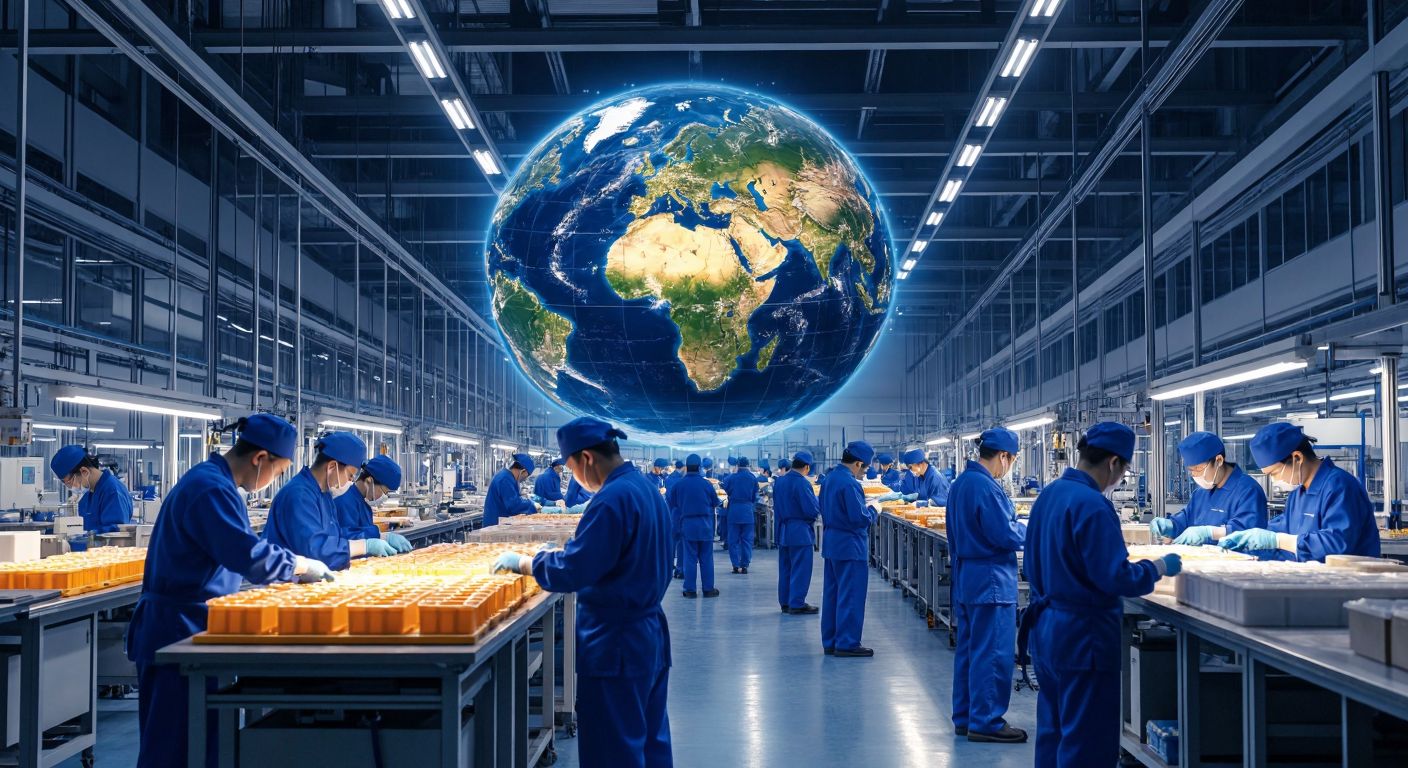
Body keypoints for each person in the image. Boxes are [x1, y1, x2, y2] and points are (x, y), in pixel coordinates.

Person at [127, 414, 334, 768]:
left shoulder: (214, 482)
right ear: (260, 459)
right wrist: (299, 565)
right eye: (278, 471)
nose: (274, 480)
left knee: (199, 740)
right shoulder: (210, 489)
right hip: (177, 627)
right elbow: (246, 554)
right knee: (174, 745)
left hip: (192, 623)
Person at [493, 417, 673, 767]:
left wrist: (529, 562)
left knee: (613, 750)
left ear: (586, 458)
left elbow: (575, 569)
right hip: (649, 637)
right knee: (650, 743)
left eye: (572, 467)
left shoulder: (611, 500)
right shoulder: (646, 489)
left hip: (616, 645)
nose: (573, 476)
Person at [1020, 422, 1181, 768]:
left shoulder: (1049, 495)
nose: (1120, 478)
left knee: (1053, 732)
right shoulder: (1092, 505)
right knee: (1086, 742)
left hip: (1046, 633)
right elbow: (1116, 577)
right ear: (1113, 463)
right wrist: (1156, 567)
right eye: (1123, 470)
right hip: (1083, 639)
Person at [947, 428, 1027, 743]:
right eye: (1013, 460)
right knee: (993, 652)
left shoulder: (961, 484)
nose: (1010, 466)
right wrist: (1031, 530)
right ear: (1004, 456)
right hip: (991, 580)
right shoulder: (985, 487)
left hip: (967, 577)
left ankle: (966, 716)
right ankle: (987, 721)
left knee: (970, 651)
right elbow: (1004, 533)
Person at [1220, 423, 1380, 560]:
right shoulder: (1297, 496)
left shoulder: (1340, 486)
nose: (1274, 480)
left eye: (1274, 473)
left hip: (1350, 582)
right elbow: (1280, 536)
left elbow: (1337, 544)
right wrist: (1247, 545)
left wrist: (1278, 540)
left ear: (1297, 458)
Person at [264, 432, 397, 567]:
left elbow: (335, 536)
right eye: (350, 475)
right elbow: (314, 548)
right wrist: (364, 546)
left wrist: (376, 537)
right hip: (284, 577)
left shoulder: (325, 495)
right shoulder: (299, 495)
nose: (351, 481)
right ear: (332, 466)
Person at [1151, 432, 1268, 546]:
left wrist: (1210, 533)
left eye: (1198, 468)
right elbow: (1186, 519)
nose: (1195, 475)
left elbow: (1249, 533)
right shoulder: (1200, 493)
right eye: (1191, 470)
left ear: (1219, 461)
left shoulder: (1249, 491)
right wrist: (1170, 525)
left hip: (1235, 558)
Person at [820, 440, 878, 657]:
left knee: (833, 594)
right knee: (851, 594)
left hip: (832, 543)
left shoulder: (829, 479)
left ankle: (831, 640)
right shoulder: (850, 484)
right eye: (864, 469)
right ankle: (847, 643)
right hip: (850, 546)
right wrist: (874, 510)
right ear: (858, 463)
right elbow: (858, 519)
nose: (863, 473)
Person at [334, 455, 413, 553]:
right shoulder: (345, 502)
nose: (384, 497)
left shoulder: (364, 505)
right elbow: (344, 539)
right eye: (384, 491)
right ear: (369, 481)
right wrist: (379, 537)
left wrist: (382, 536)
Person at [667, 453, 720, 599]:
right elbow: (715, 502)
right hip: (705, 525)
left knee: (689, 558)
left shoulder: (679, 485)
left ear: (686, 466)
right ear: (699, 467)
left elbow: (672, 503)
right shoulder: (706, 484)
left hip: (688, 524)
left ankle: (690, 590)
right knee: (706, 558)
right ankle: (708, 589)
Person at [775, 451, 820, 615]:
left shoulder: (780, 482)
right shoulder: (802, 483)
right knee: (801, 568)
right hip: (800, 531)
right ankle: (797, 603)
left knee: (785, 568)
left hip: (783, 530)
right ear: (807, 467)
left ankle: (785, 602)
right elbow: (811, 510)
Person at [50, 445, 133, 533]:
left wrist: (89, 536)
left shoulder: (113, 492)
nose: (70, 488)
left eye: (69, 482)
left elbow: (115, 532)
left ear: (84, 472)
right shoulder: (88, 494)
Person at [719, 457, 759, 574]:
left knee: (733, 540)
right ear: (748, 465)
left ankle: (735, 565)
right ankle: (745, 565)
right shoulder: (752, 478)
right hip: (747, 511)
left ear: (737, 465)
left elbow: (724, 489)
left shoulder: (731, 477)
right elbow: (754, 496)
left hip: (734, 511)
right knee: (747, 540)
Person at [484, 453, 540, 526]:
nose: (525, 479)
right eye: (527, 475)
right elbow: (514, 505)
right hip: (495, 523)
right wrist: (531, 504)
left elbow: (514, 498)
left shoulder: (508, 477)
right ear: (523, 471)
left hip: (500, 522)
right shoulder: (505, 479)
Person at [664, 459, 688, 579]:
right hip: (679, 512)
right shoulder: (682, 480)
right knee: (680, 541)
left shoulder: (669, 479)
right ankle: (680, 567)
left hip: (672, 512)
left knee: (673, 540)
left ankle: (670, 564)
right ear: (683, 467)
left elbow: (669, 496)